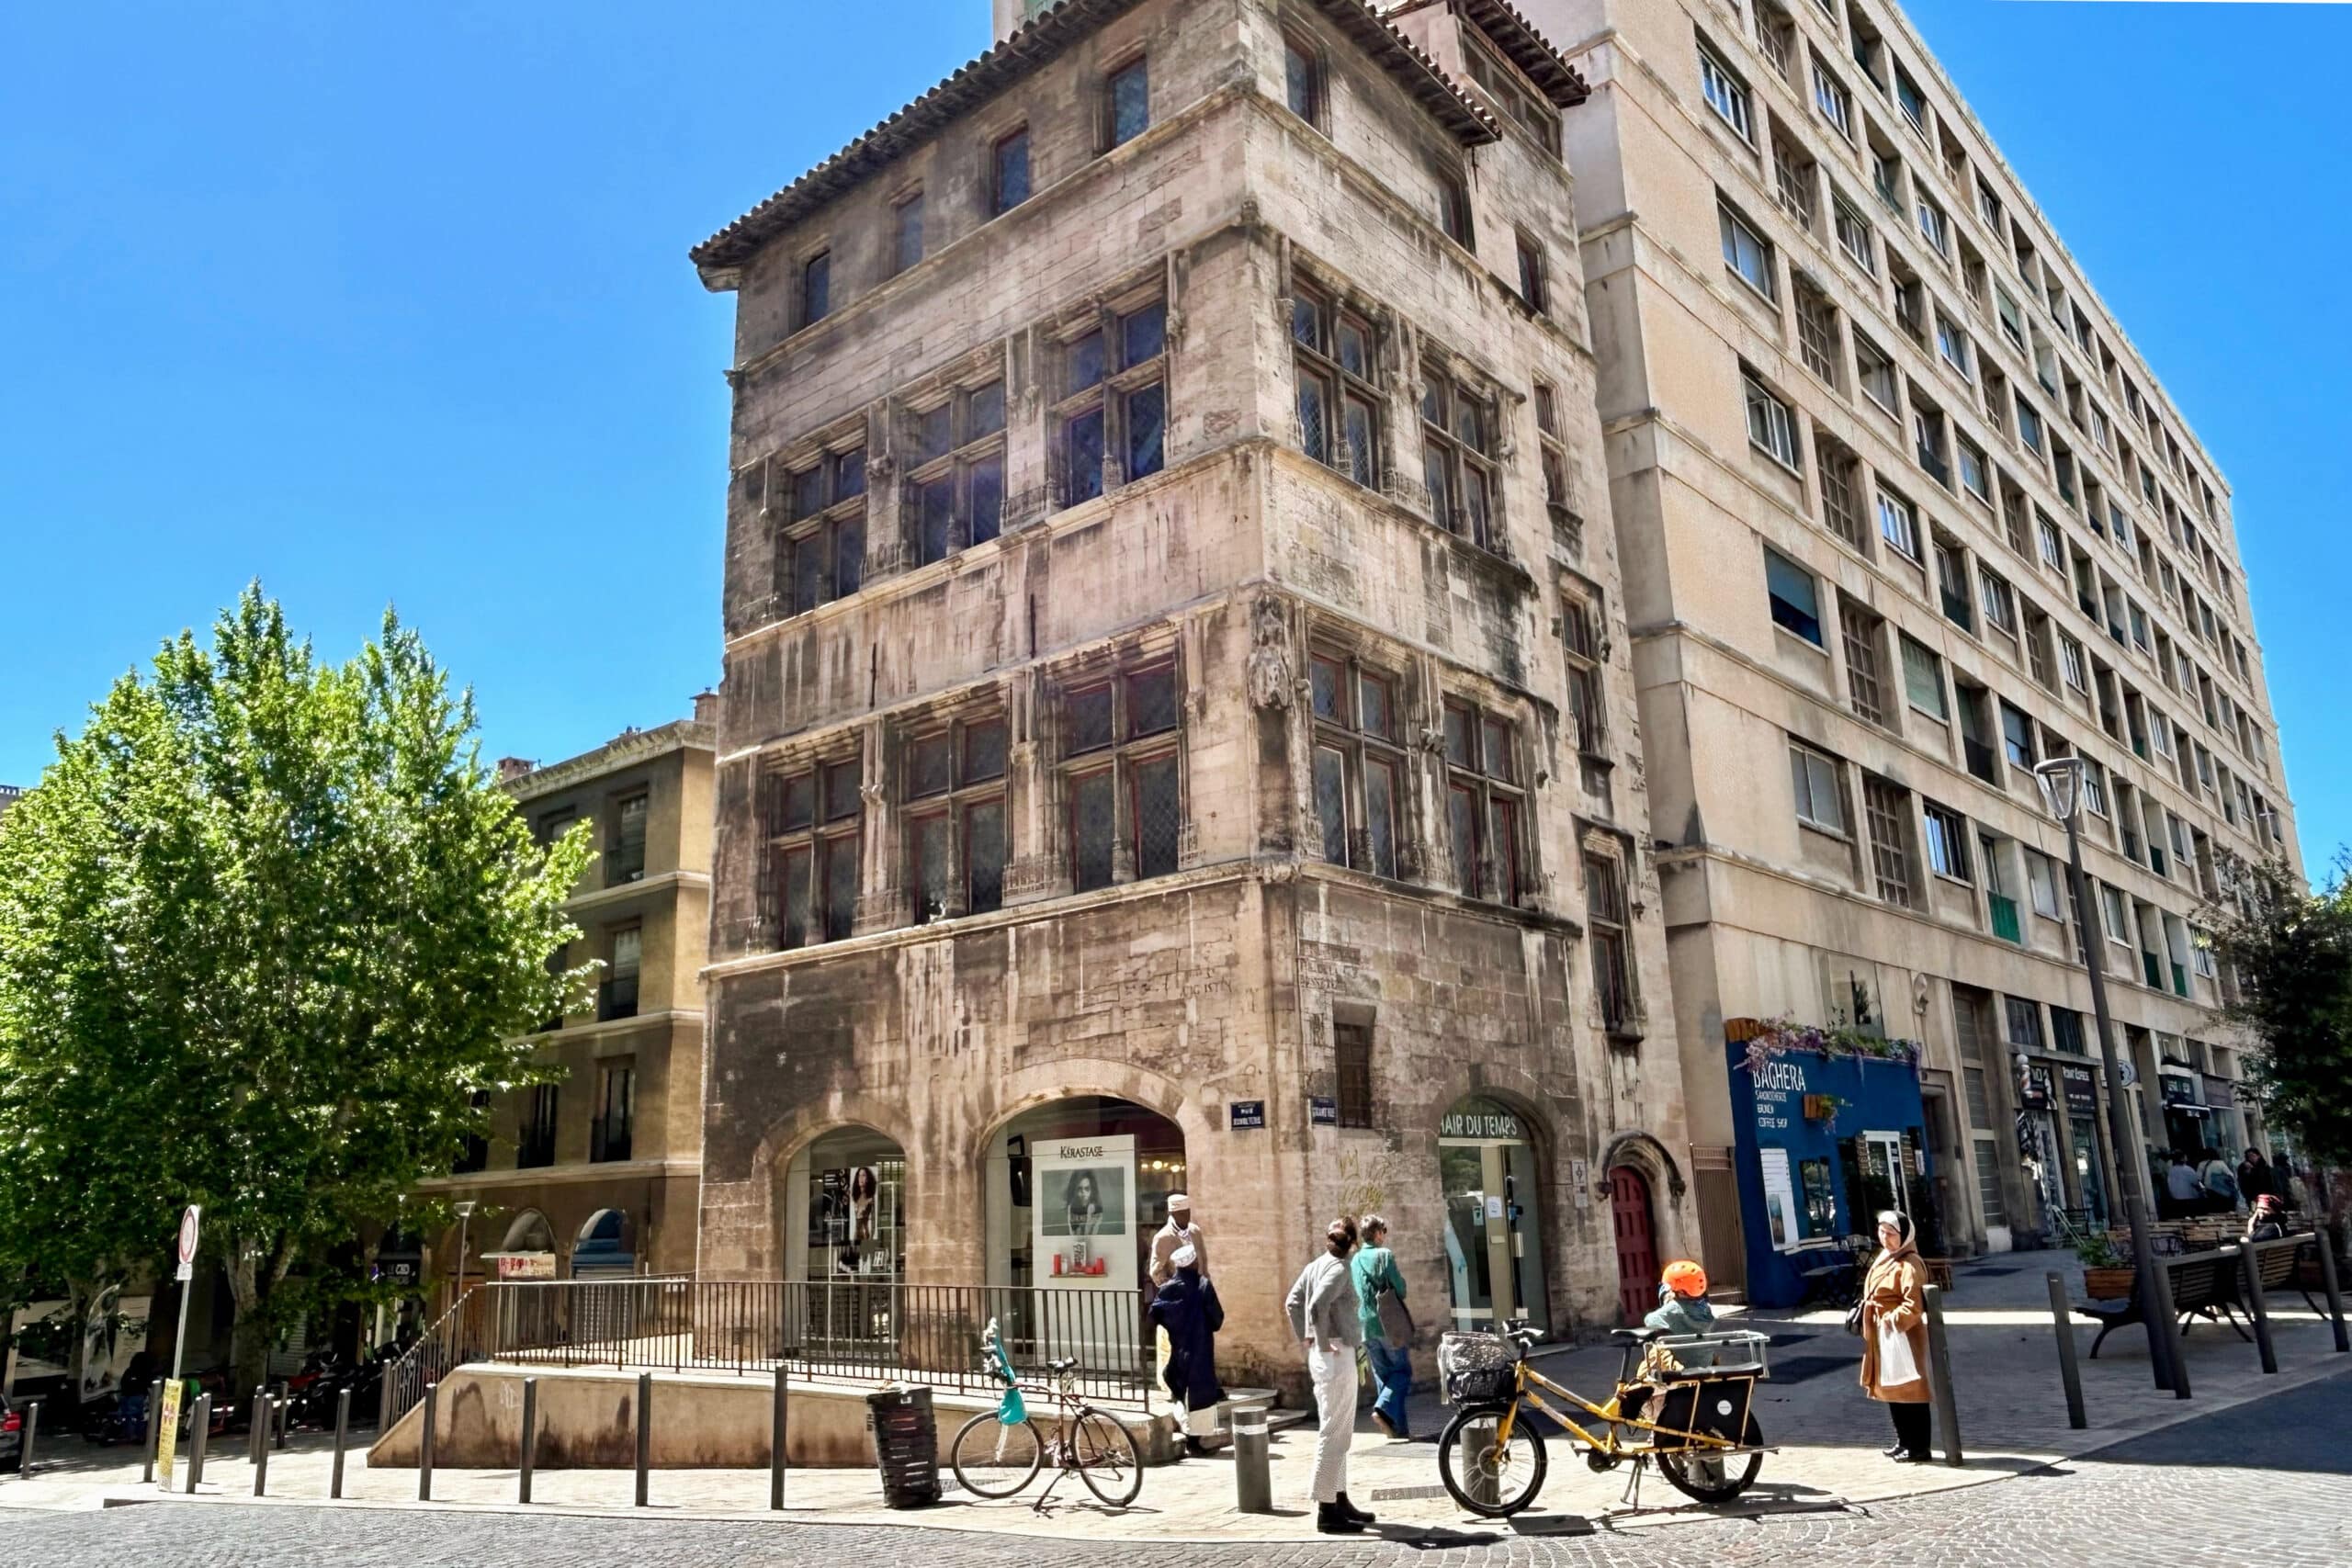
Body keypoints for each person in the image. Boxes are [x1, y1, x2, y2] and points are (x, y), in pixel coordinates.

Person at [1285, 1216, 1372, 1535]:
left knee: (1337, 1430)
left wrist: (1305, 1338)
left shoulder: (1315, 1265)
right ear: (1352, 1243)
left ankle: (1339, 1498)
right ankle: (1326, 1509)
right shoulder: (1339, 1268)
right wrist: (1320, 1341)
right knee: (1335, 1432)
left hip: (1325, 1354)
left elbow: (1293, 1301)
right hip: (1335, 1353)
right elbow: (1317, 1305)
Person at [1858, 1210, 1934, 1463]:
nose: (1885, 1237)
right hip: (1883, 1335)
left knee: (1912, 1391)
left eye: (1891, 1233)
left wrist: (1892, 1320)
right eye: (1881, 1231)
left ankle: (1920, 1448)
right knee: (1892, 1390)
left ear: (1904, 1235)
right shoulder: (1885, 1257)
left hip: (1902, 1337)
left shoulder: (1910, 1263)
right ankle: (1903, 1441)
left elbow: (1913, 1305)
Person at [1147, 1243, 1225, 1457]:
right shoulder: (1203, 1286)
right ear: (1193, 1262)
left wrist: (1174, 1326)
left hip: (1179, 1348)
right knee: (1201, 1392)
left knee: (1182, 1388)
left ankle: (1192, 1436)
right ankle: (1194, 1440)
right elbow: (1217, 1319)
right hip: (1200, 1347)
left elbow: (1155, 1314)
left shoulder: (1168, 1289)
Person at [1351, 1213, 1411, 1439]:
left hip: (1365, 1324)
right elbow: (1400, 1288)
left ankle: (1397, 1430)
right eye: (1383, 1231)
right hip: (1389, 1323)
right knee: (1402, 1373)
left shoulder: (1355, 1260)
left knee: (1384, 1377)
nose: (1384, 1236)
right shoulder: (1384, 1255)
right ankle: (1381, 1408)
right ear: (1377, 1233)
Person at [1150, 1193, 1208, 1287]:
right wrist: (1173, 1288)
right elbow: (1157, 1272)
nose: (1186, 1217)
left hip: (1199, 1290)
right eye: (1181, 1214)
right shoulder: (1163, 1237)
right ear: (1172, 1214)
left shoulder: (1195, 1231)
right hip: (1178, 1294)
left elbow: (1203, 1259)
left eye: (1188, 1212)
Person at [2199, 1146, 2241, 1214]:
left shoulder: (2201, 1164)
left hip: (2209, 1191)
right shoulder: (2220, 1163)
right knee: (2225, 1210)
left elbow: (2199, 1178)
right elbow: (2230, 1175)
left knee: (2214, 1210)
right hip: (2221, 1190)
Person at [1062, 1170, 1104, 1235]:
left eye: (1087, 1189)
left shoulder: (1097, 1210)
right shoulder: (1070, 1210)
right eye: (1079, 1189)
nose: (1083, 1193)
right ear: (1074, 1191)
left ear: (1092, 1190)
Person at [2164, 1150, 2201, 1219]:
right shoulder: (2188, 1169)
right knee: (2191, 1217)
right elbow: (2195, 1182)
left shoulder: (2171, 1170)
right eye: (2185, 1157)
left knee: (2181, 1217)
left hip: (2176, 1197)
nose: (2187, 1158)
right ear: (2182, 1158)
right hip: (2189, 1197)